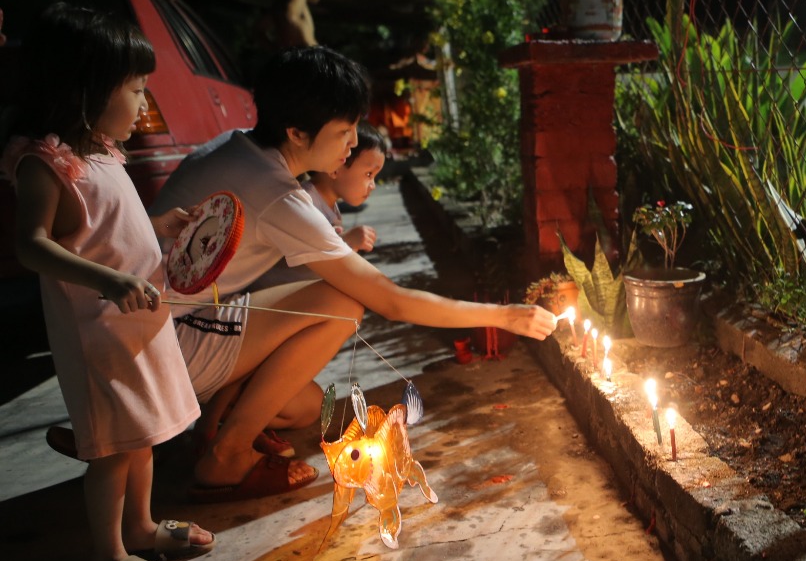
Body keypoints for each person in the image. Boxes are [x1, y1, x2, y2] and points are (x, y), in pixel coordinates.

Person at [149, 45, 556, 504]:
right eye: (344, 131)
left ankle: (215, 425)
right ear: (296, 132)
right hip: (164, 347)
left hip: (157, 331)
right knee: (343, 303)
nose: (352, 141)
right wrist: (504, 316)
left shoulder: (233, 147)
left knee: (303, 406)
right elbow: (391, 300)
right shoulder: (279, 196)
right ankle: (226, 454)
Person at [3, 4, 215, 561]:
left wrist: (159, 225)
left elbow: (103, 225)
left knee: (141, 436)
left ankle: (140, 528)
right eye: (136, 88)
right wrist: (108, 280)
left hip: (136, 326)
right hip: (97, 335)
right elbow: (32, 244)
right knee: (113, 450)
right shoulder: (45, 162)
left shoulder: (101, 150)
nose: (144, 103)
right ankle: (103, 558)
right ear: (86, 88)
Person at [248, 121, 385, 292]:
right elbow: (301, 258)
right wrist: (345, 242)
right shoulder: (303, 203)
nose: (373, 185)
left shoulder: (327, 205)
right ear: (337, 166)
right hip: (266, 294)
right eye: (369, 174)